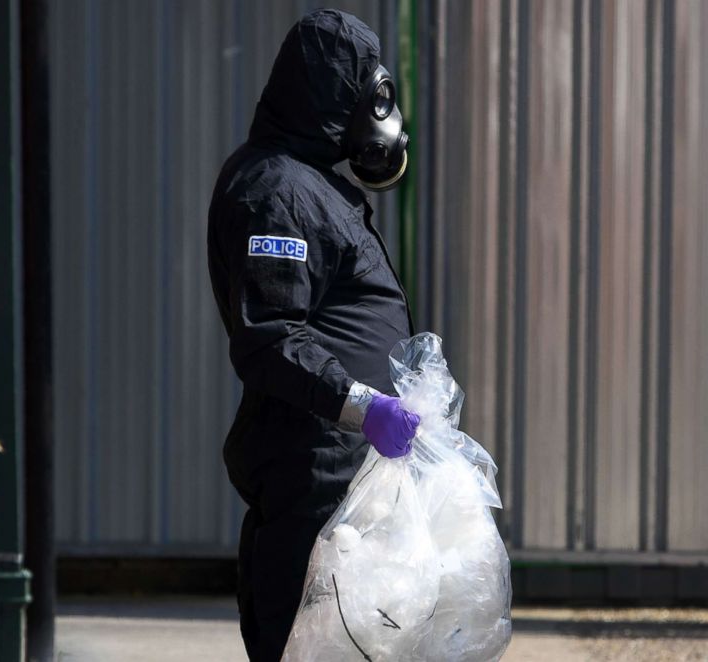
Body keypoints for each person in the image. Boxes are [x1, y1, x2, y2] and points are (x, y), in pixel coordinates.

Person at [206, 10, 420, 661]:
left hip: (348, 479)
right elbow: (271, 337)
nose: (376, 113)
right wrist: (362, 405)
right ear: (333, 94)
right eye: (366, 93)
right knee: (309, 644)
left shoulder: (310, 184)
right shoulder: (277, 194)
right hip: (315, 476)